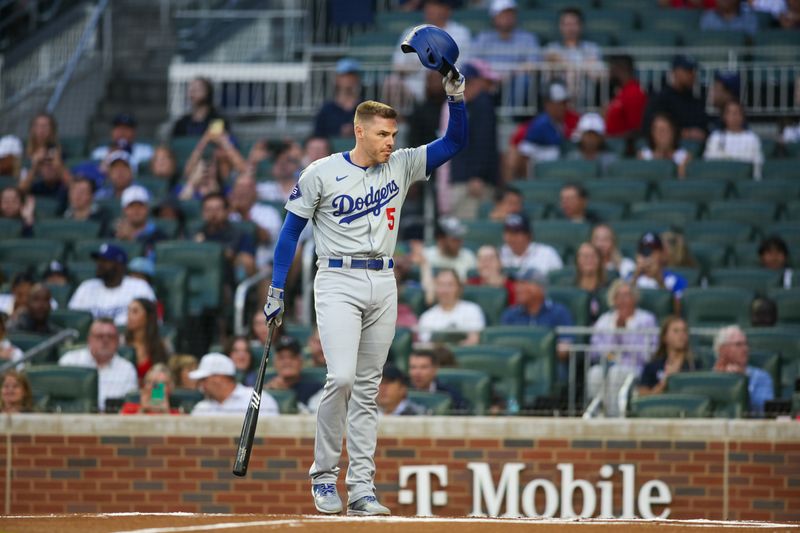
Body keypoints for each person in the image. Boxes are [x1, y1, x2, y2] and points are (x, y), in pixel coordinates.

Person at [262, 65, 468, 515]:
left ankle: (361, 488)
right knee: (341, 378)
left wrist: (456, 98)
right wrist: (277, 289)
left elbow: (455, 143)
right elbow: (289, 233)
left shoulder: (402, 163)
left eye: (393, 133)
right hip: (336, 278)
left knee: (369, 388)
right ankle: (322, 476)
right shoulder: (320, 172)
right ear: (359, 130)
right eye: (381, 134)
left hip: (384, 279)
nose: (390, 141)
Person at [587, 280, 658, 417]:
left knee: (616, 373)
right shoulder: (605, 319)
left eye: (627, 295)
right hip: (607, 363)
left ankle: (613, 416)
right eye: (619, 295)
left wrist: (624, 333)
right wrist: (614, 338)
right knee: (594, 373)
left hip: (635, 366)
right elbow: (594, 350)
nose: (623, 299)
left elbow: (650, 353)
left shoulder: (646, 319)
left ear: (635, 298)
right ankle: (597, 414)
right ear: (613, 299)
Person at [445, 61, 499, 220]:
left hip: (472, 183)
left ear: (477, 83)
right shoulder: (470, 105)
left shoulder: (482, 104)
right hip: (466, 179)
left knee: (468, 228)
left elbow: (483, 143)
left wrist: (477, 176)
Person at [500, 269, 575, 380]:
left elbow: (565, 349)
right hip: (517, 365)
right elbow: (502, 347)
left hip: (549, 365)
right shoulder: (510, 315)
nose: (517, 288)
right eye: (517, 284)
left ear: (540, 288)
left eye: (524, 283)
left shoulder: (559, 312)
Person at [59, 318, 139, 412]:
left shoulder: (127, 369)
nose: (105, 340)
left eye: (110, 336)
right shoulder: (69, 361)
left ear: (117, 340)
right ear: (89, 339)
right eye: (99, 336)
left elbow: (128, 407)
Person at [68, 243, 156, 326]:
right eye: (98, 261)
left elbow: (151, 321)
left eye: (105, 261)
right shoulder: (86, 287)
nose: (99, 264)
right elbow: (73, 320)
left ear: (120, 266)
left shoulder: (139, 287)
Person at [472, 0, 540, 107]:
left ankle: (512, 117)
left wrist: (509, 74)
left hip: (515, 82)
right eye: (503, 14)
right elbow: (472, 62)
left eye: (510, 13)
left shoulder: (527, 38)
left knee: (523, 80)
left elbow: (534, 62)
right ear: (494, 17)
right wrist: (491, 76)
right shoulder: (483, 38)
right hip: (489, 82)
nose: (507, 17)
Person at [642, 55, 708, 142]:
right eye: (688, 71)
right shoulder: (661, 99)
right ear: (675, 72)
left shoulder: (695, 100)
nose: (693, 75)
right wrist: (684, 133)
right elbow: (649, 128)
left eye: (694, 71)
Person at [190, 352, 278, 416]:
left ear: (219, 378)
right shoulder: (201, 408)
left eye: (204, 379)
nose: (201, 385)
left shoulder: (256, 398)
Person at [194, 191, 256, 283]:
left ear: (227, 211)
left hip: (228, 280)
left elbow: (249, 264)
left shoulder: (240, 234)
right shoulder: (195, 233)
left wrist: (232, 257)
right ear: (203, 213)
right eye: (209, 210)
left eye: (217, 209)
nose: (213, 214)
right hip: (199, 277)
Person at [713, 325, 774, 416]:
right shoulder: (710, 377)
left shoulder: (761, 377)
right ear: (723, 350)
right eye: (738, 344)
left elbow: (765, 410)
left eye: (746, 344)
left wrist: (743, 382)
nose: (745, 349)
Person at [227, 173, 283, 268]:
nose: (242, 191)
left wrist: (244, 214)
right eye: (239, 187)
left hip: (262, 265)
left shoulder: (268, 211)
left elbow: (266, 238)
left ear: (255, 191)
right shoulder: (227, 213)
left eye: (247, 187)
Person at [418, 269, 485, 345]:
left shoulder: (472, 310)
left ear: (459, 288)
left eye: (450, 285)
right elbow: (427, 346)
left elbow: (474, 340)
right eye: (441, 285)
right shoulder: (426, 317)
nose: (445, 290)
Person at [638, 316, 699, 396]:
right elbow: (643, 398)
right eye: (676, 331)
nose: (681, 335)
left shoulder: (695, 364)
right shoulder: (652, 366)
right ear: (664, 337)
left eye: (684, 331)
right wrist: (666, 380)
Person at [703, 101, 764, 179]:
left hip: (744, 180)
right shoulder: (715, 137)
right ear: (724, 116)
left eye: (737, 113)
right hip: (720, 178)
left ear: (742, 116)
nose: (734, 116)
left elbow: (757, 163)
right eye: (730, 113)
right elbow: (709, 162)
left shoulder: (752, 138)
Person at [518, 81, 572, 166]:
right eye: (559, 104)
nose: (563, 107)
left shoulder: (561, 123)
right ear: (548, 104)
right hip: (543, 172)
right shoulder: (540, 124)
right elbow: (525, 154)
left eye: (564, 103)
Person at [629, 232, 688, 307]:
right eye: (644, 252)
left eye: (652, 251)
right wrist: (635, 276)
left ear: (662, 254)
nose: (648, 256)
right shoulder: (630, 278)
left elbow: (677, 311)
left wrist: (659, 280)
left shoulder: (676, 281)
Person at [265, 335, 323, 410]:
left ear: (301, 361)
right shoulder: (265, 389)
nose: (287, 362)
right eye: (282, 357)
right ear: (274, 362)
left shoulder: (315, 389)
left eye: (292, 357)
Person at [499, 212, 563, 276]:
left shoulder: (547, 254)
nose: (511, 237)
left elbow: (559, 280)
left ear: (529, 235)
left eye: (516, 233)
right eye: (508, 232)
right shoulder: (499, 254)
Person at [114, 185, 167, 259]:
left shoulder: (159, 236)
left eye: (140, 206)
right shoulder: (115, 233)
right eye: (131, 206)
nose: (136, 210)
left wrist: (132, 238)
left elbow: (153, 259)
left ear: (147, 208)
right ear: (124, 210)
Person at [313, 58, 362, 138]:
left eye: (352, 75)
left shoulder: (367, 108)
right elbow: (318, 136)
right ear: (337, 78)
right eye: (344, 75)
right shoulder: (327, 109)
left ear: (357, 78)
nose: (348, 79)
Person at [124, 298, 169, 382]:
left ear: (148, 316)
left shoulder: (161, 346)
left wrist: (157, 395)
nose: (129, 316)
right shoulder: (121, 343)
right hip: (125, 391)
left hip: (153, 392)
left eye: (135, 311)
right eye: (128, 311)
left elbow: (162, 378)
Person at [605, 55, 647, 139]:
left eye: (611, 70)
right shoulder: (623, 92)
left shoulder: (634, 93)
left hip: (623, 147)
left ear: (621, 70)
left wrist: (610, 138)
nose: (609, 74)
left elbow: (636, 130)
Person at [638, 112, 691, 178]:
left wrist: (681, 169)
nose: (661, 135)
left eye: (664, 130)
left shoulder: (684, 156)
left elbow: (682, 185)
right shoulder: (643, 156)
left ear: (673, 132)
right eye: (657, 130)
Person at [573, 242, 609, 325]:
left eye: (593, 256)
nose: (589, 260)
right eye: (585, 256)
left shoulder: (609, 288)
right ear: (577, 260)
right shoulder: (569, 289)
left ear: (599, 260)